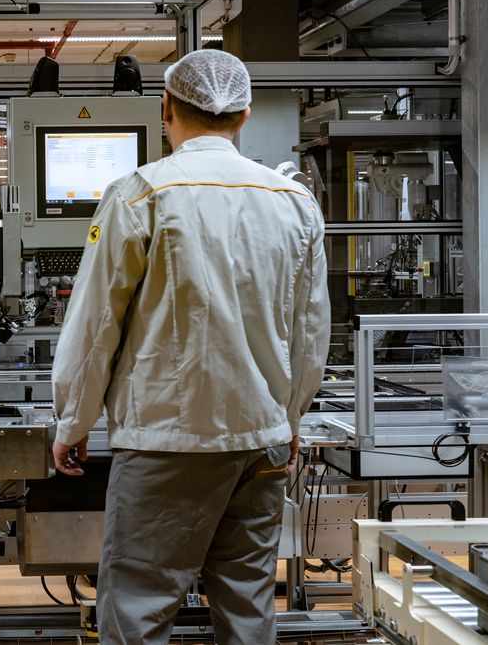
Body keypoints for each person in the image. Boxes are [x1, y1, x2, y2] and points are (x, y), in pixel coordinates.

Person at [49, 49, 330, 644]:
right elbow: (310, 330)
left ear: (165, 108)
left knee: (138, 608)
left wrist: (74, 420)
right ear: (245, 115)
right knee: (250, 606)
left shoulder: (139, 195)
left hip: (166, 442)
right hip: (261, 442)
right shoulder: (295, 204)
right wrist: (291, 416)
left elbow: (96, 322)